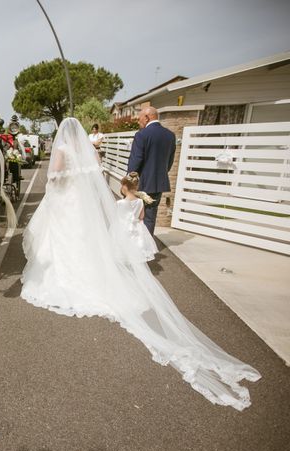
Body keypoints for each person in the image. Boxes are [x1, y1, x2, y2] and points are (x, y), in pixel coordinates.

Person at [20, 117, 260, 410]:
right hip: (80, 207)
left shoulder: (62, 153)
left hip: (63, 203)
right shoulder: (89, 151)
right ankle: (91, 275)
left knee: (61, 241)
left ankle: (66, 277)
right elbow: (94, 178)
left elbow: (55, 178)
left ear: (61, 135)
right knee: (83, 241)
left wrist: (57, 180)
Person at [127, 106, 176, 235]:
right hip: (159, 183)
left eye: (140, 119)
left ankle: (138, 248)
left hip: (141, 183)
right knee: (150, 217)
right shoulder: (170, 135)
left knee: (136, 216)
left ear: (147, 117)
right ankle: (148, 250)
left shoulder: (142, 135)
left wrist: (128, 182)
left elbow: (135, 162)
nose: (139, 122)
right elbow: (169, 162)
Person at [117, 172, 159, 262]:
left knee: (123, 249)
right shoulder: (140, 201)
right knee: (137, 246)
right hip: (136, 227)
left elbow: (117, 216)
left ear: (124, 187)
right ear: (136, 186)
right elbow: (141, 216)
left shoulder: (120, 203)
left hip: (123, 228)